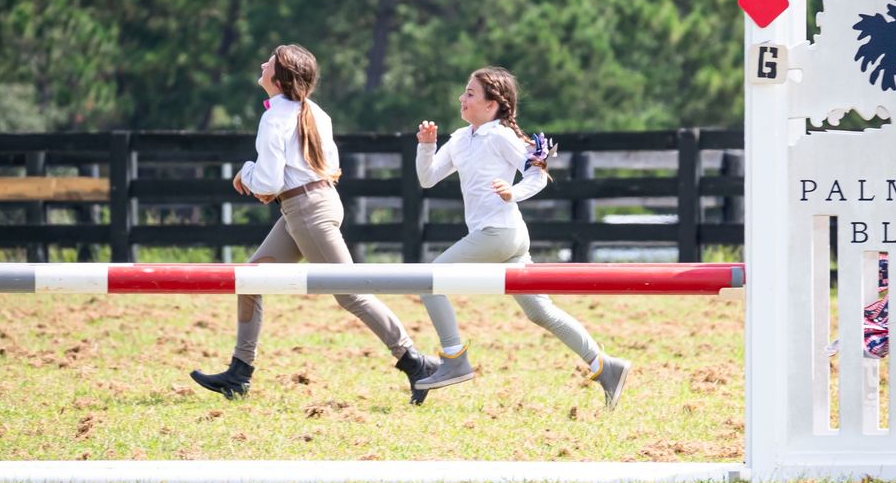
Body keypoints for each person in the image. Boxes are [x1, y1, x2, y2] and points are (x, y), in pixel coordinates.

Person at [190, 44, 439, 404]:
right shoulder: (316, 113)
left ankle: (416, 363)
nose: (262, 64)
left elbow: (269, 182)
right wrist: (275, 187)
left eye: (269, 63)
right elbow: (320, 168)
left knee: (351, 293)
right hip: (313, 205)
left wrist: (246, 174)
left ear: (279, 77)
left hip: (306, 211)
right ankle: (239, 373)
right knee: (250, 278)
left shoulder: (274, 119)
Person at [411, 66, 632, 409]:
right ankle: (605, 365)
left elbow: (538, 174)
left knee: (431, 280)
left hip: (499, 234)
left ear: (492, 105)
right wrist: (426, 147)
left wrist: (512, 193)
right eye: (465, 91)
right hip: (508, 237)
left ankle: (454, 358)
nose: (462, 98)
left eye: (470, 94)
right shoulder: (460, 138)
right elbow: (427, 179)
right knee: (540, 312)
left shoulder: (500, 136)